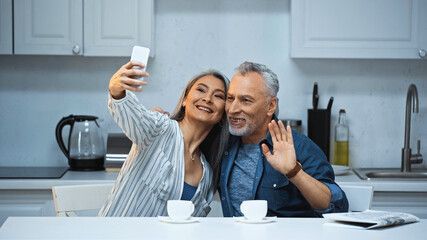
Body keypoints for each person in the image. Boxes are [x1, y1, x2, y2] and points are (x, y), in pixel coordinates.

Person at [99, 61, 230, 217]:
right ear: (185, 100)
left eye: (218, 96)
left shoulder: (207, 175)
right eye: (201, 90)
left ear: (223, 115)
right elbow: (130, 113)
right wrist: (117, 91)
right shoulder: (159, 128)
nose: (208, 99)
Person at [218, 61, 348, 217]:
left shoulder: (300, 147)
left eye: (246, 100)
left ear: (271, 106)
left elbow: (337, 207)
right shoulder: (223, 147)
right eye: (230, 98)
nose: (232, 110)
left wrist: (293, 172)